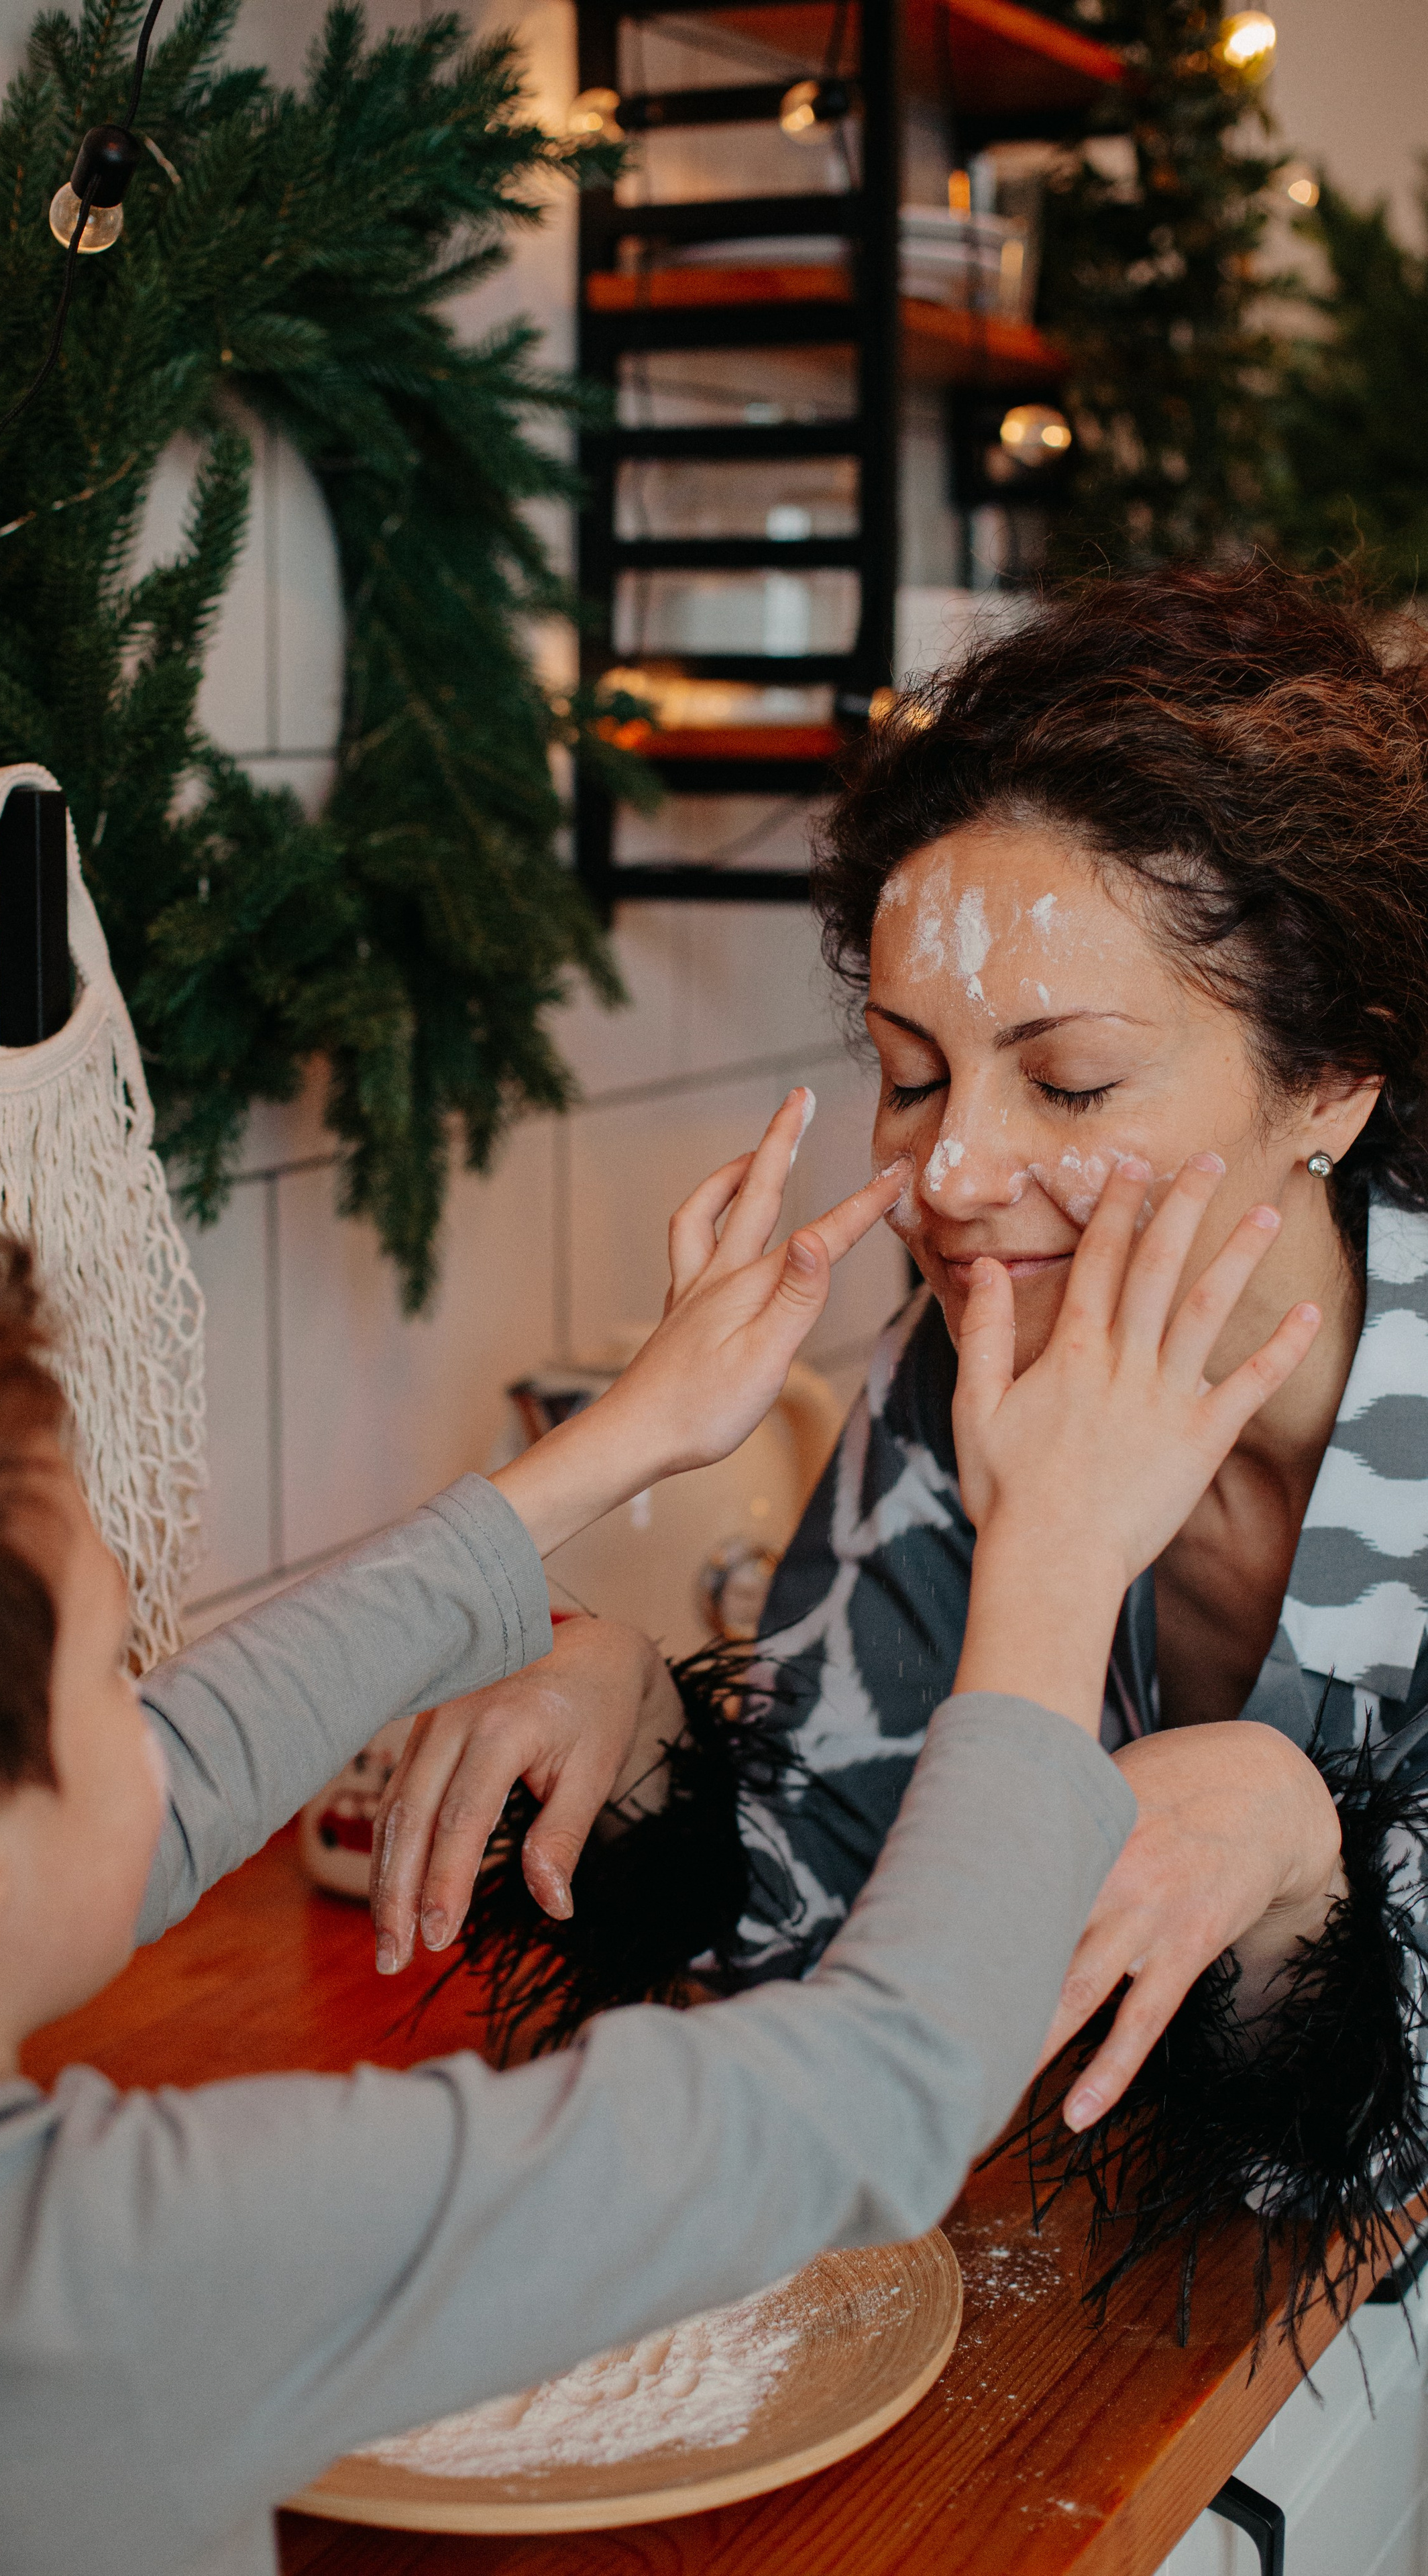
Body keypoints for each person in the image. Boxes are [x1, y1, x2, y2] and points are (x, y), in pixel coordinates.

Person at [0, 1110, 1307, 2576]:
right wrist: (1057, 1555)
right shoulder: (114, 2274)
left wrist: (613, 1447)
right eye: (108, 1680)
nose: (162, 1724)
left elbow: (183, 1770)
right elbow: (878, 2094)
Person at [372, 561, 1428, 2326]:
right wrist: (638, 1751)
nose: (949, 1179)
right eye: (916, 1074)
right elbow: (856, 1929)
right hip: (1137, 2346)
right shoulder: (965, 1366)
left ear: (1333, 1077)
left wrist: (1302, 1854)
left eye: (1070, 1082)